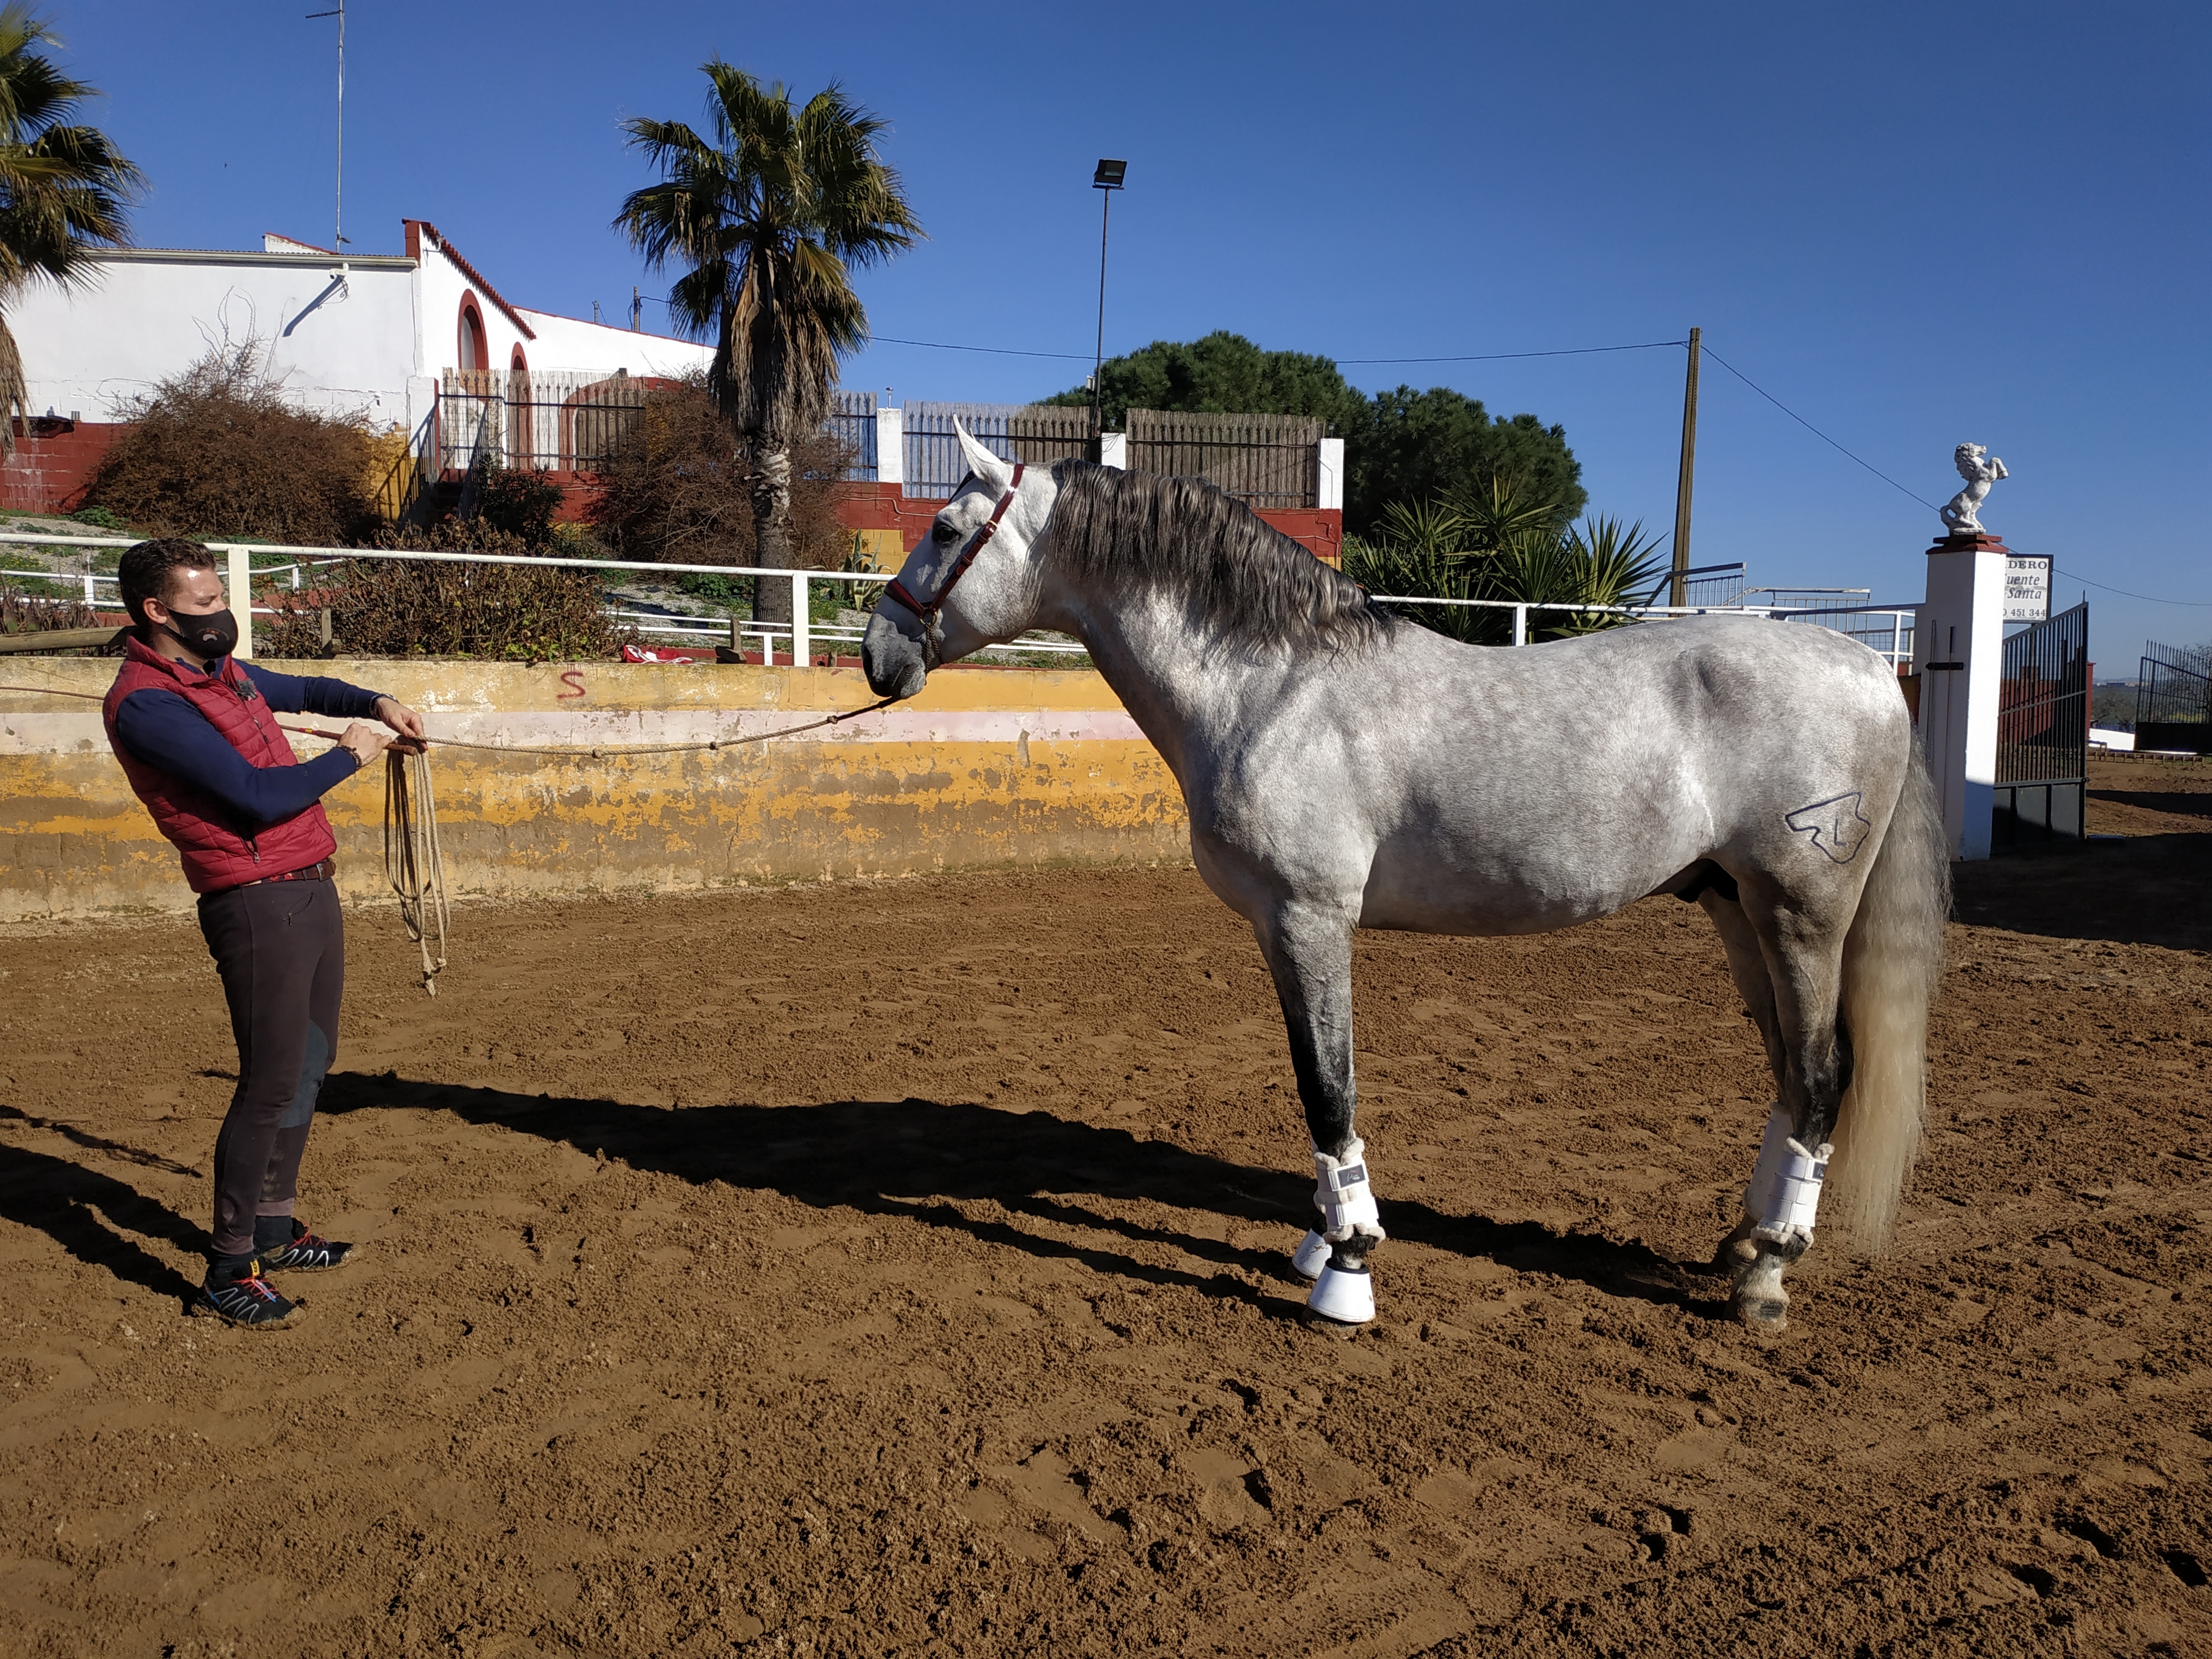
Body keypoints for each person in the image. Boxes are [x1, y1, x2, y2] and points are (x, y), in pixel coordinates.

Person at [102, 539, 426, 1330]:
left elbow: (310, 685)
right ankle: (228, 1263)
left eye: (220, 597)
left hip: (308, 885)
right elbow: (252, 795)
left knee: (311, 1066)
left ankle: (275, 1229)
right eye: (206, 602)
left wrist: (375, 703)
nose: (223, 613)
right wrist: (352, 755)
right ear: (158, 610)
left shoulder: (225, 676)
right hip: (254, 901)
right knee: (269, 1082)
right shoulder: (147, 704)